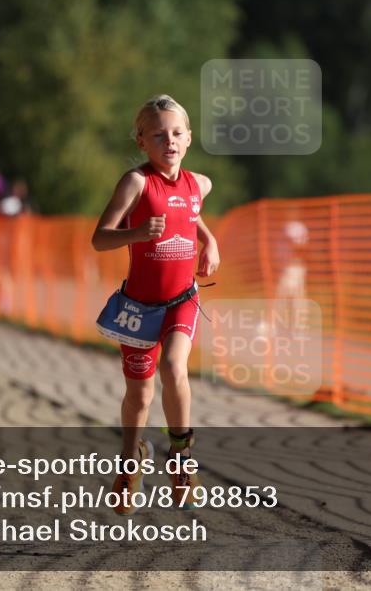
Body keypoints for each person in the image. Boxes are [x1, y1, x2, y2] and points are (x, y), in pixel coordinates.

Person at [91, 94, 220, 514]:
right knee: (140, 395)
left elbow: (189, 211)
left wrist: (210, 241)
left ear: (189, 138)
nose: (170, 141)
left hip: (181, 299)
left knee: (173, 367)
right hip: (139, 308)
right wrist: (137, 233)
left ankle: (181, 459)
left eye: (177, 133)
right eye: (159, 135)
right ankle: (131, 461)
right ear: (142, 141)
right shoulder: (136, 183)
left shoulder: (200, 183)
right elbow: (99, 238)